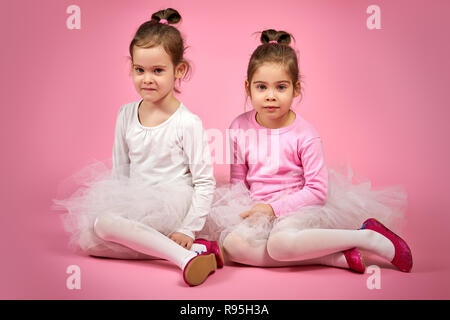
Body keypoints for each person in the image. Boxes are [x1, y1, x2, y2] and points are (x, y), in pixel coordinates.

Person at [198, 29, 412, 273]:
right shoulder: (239, 126)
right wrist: (248, 213)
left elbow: (317, 191)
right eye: (261, 87)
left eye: (281, 87)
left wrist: (274, 209)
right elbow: (239, 182)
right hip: (260, 208)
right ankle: (332, 258)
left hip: (298, 206)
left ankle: (365, 237)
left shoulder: (305, 133)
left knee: (279, 244)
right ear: (248, 87)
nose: (270, 96)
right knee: (234, 246)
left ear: (296, 88)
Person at [53, 8, 223, 286]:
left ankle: (184, 256)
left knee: (105, 226)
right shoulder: (126, 114)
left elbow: (204, 182)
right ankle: (196, 252)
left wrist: (188, 228)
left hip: (173, 206)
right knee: (90, 241)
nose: (147, 79)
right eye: (139, 70)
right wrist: (120, 205)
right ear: (131, 66)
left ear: (178, 70)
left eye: (158, 70)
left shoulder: (188, 122)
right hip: (136, 203)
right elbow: (121, 170)